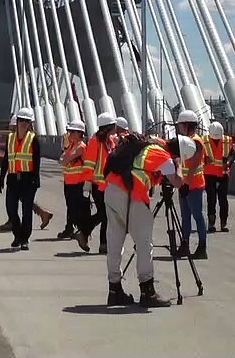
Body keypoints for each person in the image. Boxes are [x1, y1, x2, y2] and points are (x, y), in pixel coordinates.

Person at [104, 134, 195, 308]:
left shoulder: (149, 145)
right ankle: (147, 291)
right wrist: (178, 165)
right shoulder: (164, 157)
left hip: (112, 189)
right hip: (131, 195)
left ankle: (114, 290)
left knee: (115, 242)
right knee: (144, 243)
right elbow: (177, 182)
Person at [3, 108, 43, 250]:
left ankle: (24, 239)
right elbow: (6, 159)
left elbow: (37, 161)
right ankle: (17, 234)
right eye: (22, 121)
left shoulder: (34, 139)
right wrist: (1, 178)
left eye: (27, 121)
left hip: (28, 179)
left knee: (26, 211)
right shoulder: (10, 138)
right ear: (17, 121)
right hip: (13, 178)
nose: (24, 124)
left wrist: (36, 179)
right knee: (11, 209)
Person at [81, 113, 117, 254]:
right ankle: (85, 231)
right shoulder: (95, 141)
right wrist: (87, 182)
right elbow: (89, 164)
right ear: (108, 127)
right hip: (98, 185)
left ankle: (103, 243)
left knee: (106, 215)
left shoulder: (110, 142)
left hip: (108, 184)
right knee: (105, 214)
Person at [174, 110, 208, 259]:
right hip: (186, 184)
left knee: (197, 216)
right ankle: (184, 244)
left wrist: (186, 183)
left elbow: (194, 164)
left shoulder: (196, 141)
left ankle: (202, 246)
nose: (179, 127)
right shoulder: (185, 140)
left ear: (187, 125)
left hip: (194, 185)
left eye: (181, 124)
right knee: (185, 217)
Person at [59, 119, 93, 251]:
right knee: (71, 208)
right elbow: (61, 159)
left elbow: (64, 159)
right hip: (69, 182)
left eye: (72, 132)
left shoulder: (80, 147)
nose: (69, 134)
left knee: (79, 211)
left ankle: (81, 233)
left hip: (78, 183)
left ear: (79, 133)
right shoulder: (72, 146)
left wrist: (65, 158)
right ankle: (73, 230)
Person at [204, 121, 232, 232]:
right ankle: (211, 223)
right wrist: (205, 160)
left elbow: (232, 154)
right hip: (209, 174)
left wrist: (228, 162)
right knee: (211, 199)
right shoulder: (204, 141)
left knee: (223, 199)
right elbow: (199, 155)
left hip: (223, 174)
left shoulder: (227, 140)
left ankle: (223, 223)